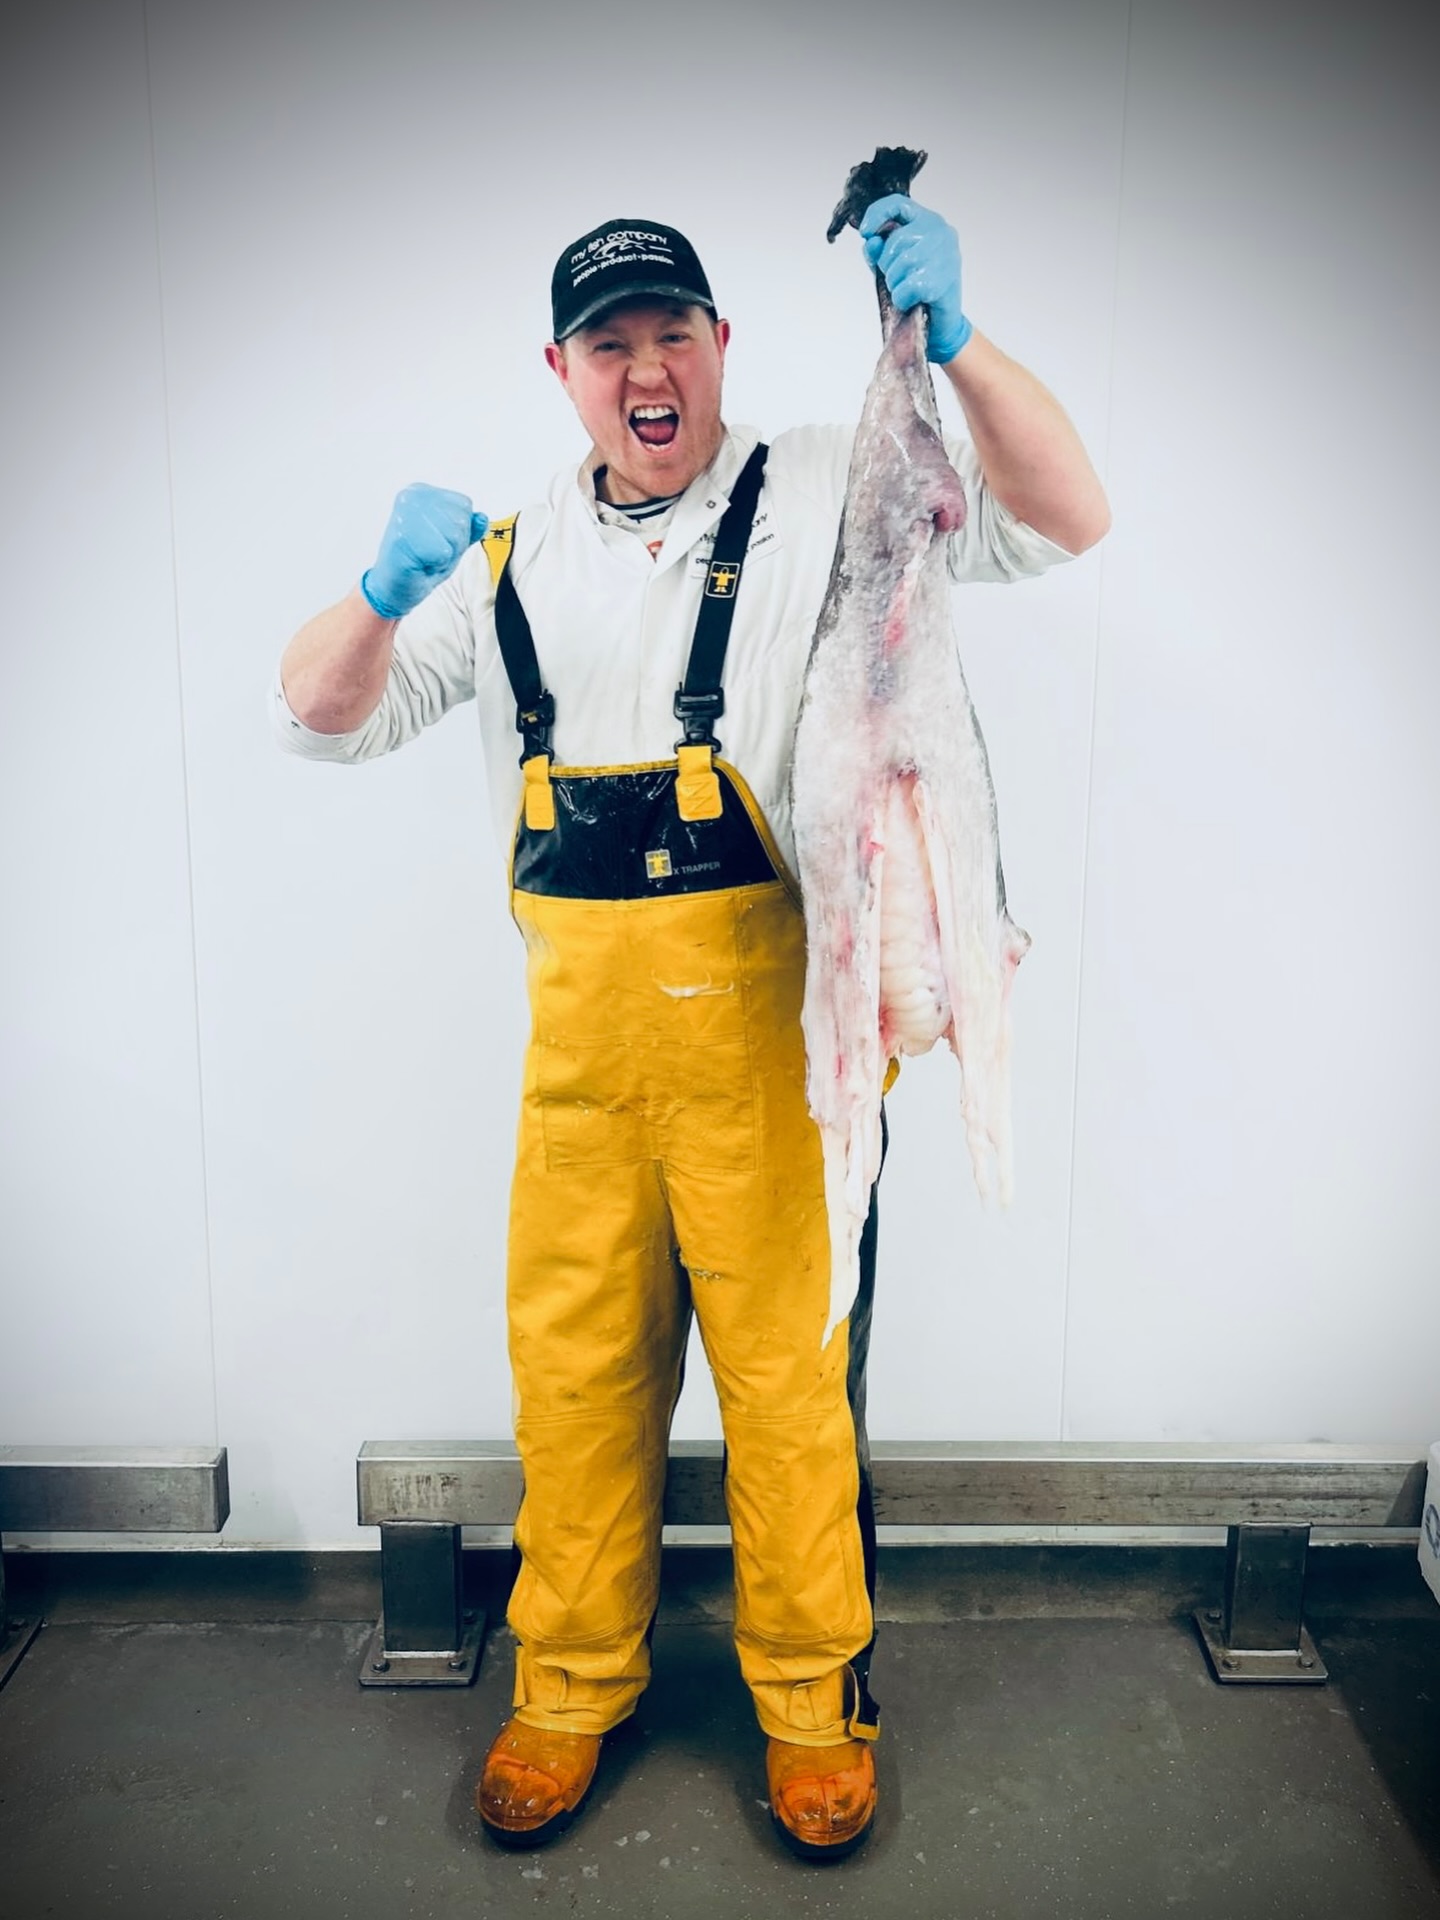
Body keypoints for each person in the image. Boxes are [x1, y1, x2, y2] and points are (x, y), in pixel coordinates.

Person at [275, 197, 1109, 1860]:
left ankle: (815, 1704)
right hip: (581, 1090)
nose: (646, 368)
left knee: (791, 1402)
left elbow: (1065, 513)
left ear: (723, 345)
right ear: (563, 372)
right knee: (575, 1392)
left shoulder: (822, 485)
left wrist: (955, 345)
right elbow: (314, 713)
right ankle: (570, 1687)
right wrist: (373, 597)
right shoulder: (506, 562)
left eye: (674, 332)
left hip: (772, 1065)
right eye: (610, 343)